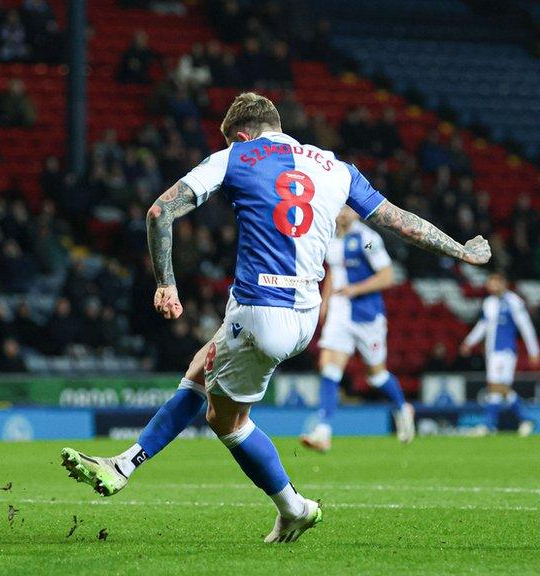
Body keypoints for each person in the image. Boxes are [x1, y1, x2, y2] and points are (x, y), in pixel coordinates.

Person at [60, 92, 491, 543]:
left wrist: (165, 282)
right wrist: (461, 250)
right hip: (306, 315)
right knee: (199, 367)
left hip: (259, 311)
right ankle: (125, 463)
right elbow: (401, 222)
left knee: (225, 421)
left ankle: (295, 507)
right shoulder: (335, 167)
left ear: (241, 134)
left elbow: (158, 211)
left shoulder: (236, 156)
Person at [301, 207, 414, 453]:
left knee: (376, 376)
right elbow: (334, 270)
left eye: (348, 207)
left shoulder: (368, 240)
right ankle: (323, 431)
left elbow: (387, 276)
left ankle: (403, 407)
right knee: (329, 367)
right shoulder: (330, 235)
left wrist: (355, 289)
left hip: (367, 316)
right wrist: (325, 301)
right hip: (340, 313)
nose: (343, 211)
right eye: (340, 206)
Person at [460, 271, 539, 436]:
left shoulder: (514, 301)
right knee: (497, 390)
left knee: (495, 386)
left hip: (505, 351)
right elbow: (483, 325)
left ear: (503, 283)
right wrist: (469, 342)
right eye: (489, 283)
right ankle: (493, 425)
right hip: (491, 352)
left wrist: (534, 351)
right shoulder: (489, 303)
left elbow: (525, 326)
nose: (491, 286)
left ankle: (522, 418)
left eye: (494, 282)